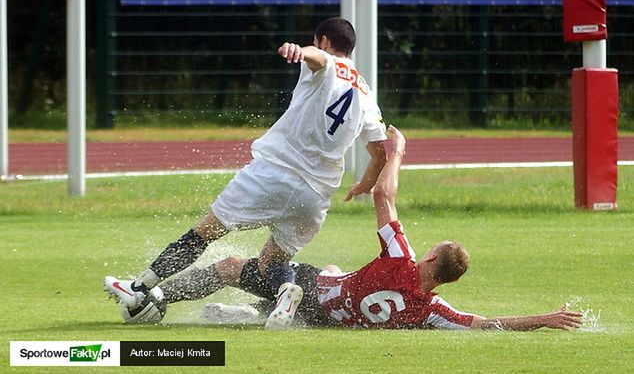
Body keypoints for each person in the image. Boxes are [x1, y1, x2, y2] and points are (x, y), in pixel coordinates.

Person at [125, 126, 584, 331]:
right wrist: (544, 318)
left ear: (429, 258)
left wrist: (398, 152)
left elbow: (383, 197)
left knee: (230, 264)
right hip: (326, 316)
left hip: (316, 291)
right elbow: (486, 324)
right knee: (332, 266)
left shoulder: (401, 260)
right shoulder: (430, 311)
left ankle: (157, 299)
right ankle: (258, 312)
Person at [105, 17, 388, 329]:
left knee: (204, 233)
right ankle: (284, 292)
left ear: (322, 39)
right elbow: (380, 153)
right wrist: (364, 184)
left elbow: (321, 60)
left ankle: (137, 288)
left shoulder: (325, 62)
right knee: (273, 260)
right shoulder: (366, 93)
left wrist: (300, 50)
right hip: (316, 196)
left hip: (273, 175)